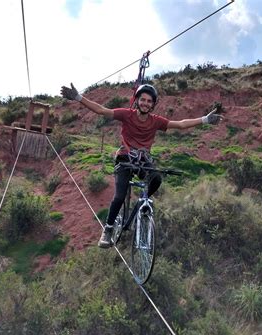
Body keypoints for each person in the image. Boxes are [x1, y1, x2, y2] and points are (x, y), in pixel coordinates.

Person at [60, 83, 223, 248]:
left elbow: (180, 124)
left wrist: (205, 119)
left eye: (149, 101)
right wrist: (78, 97)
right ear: (137, 101)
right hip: (125, 158)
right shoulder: (126, 115)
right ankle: (108, 230)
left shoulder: (156, 121)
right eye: (142, 100)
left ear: (153, 104)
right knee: (119, 196)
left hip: (143, 160)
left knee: (156, 179)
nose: (145, 103)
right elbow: (102, 110)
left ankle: (142, 203)